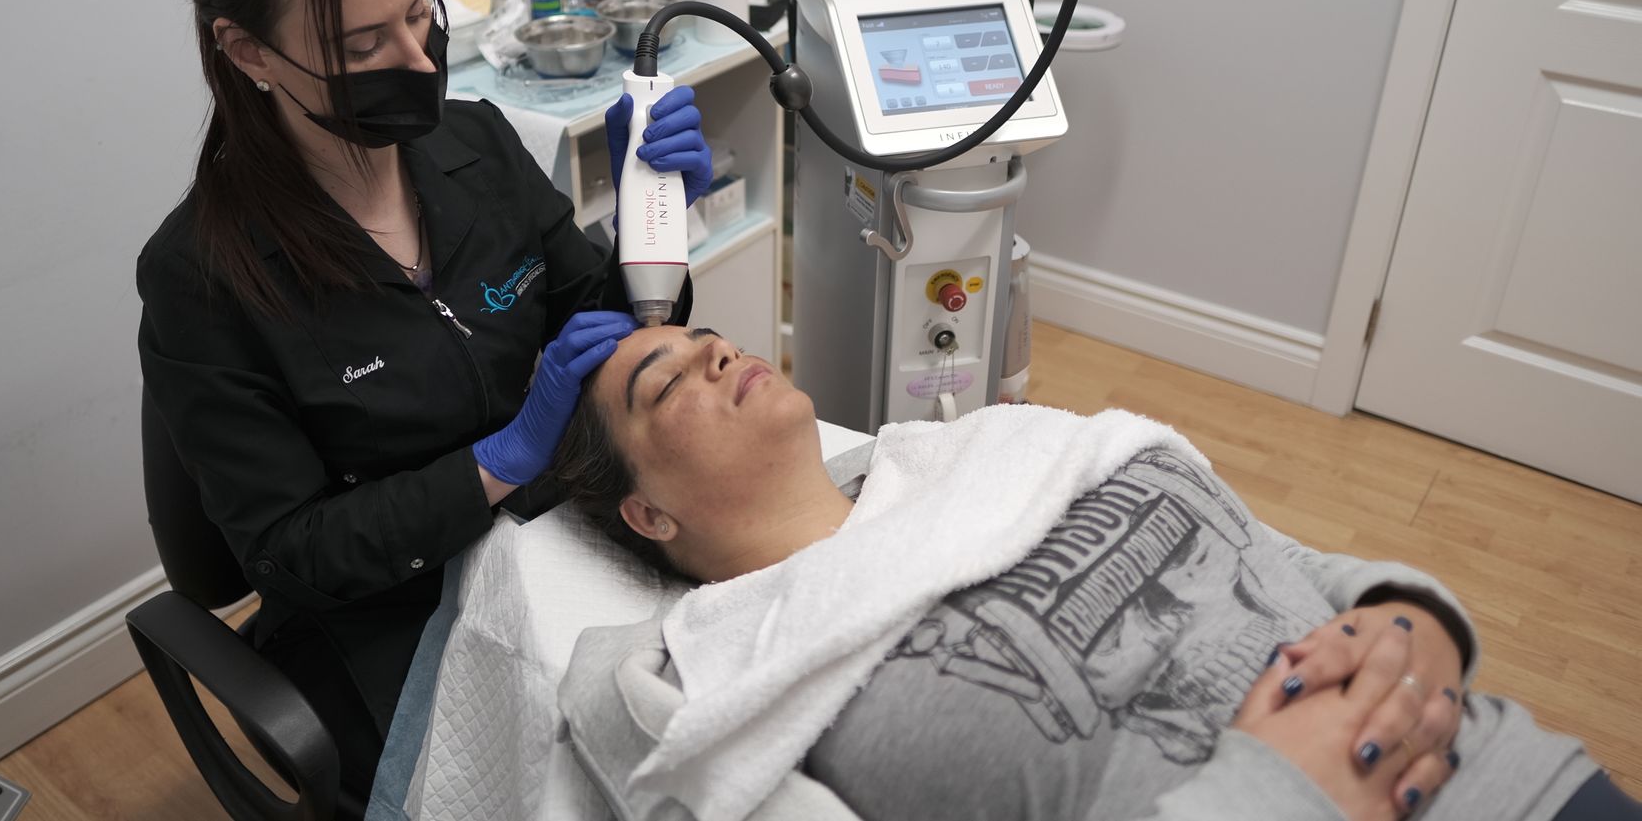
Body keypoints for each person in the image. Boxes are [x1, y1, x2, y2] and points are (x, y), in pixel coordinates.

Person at [135, 0, 710, 811]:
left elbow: (596, 333)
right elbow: (290, 553)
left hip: (565, 529)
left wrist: (652, 227)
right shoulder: (203, 278)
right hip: (395, 611)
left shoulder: (475, 144)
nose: (417, 61)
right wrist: (498, 460)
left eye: (420, 17)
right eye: (364, 48)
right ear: (248, 53)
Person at [550, 325, 1640, 821]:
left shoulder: (991, 452)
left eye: (702, 335)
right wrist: (1270, 794)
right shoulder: (738, 673)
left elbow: (1282, 557)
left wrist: (1419, 623)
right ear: (650, 510)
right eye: (664, 378)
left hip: (1508, 774)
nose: (714, 348)